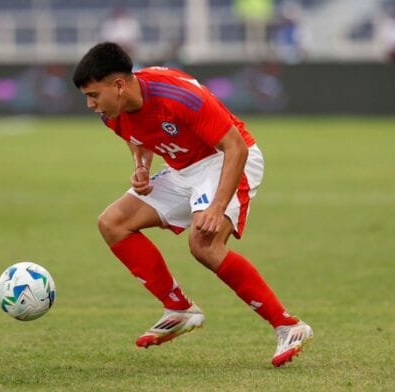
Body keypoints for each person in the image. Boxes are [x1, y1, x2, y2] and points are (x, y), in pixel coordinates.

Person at [72, 42, 313, 367]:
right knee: (112, 223)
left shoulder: (176, 95)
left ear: (118, 85)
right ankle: (180, 308)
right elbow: (137, 137)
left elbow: (235, 147)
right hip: (182, 167)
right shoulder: (111, 111)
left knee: (203, 242)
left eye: (93, 95)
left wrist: (216, 207)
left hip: (224, 158)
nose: (90, 104)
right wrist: (141, 167)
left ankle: (288, 325)